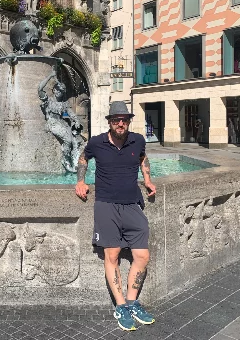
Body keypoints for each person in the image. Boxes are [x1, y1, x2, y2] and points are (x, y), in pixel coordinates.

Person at [75, 101, 156, 332]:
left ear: (128, 121)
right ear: (110, 122)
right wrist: (80, 181)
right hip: (106, 204)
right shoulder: (96, 142)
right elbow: (83, 158)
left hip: (132, 204)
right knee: (112, 255)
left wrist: (147, 179)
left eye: (124, 120)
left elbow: (142, 158)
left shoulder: (137, 140)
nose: (120, 123)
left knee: (142, 255)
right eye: (116, 120)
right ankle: (120, 306)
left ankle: (132, 302)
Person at [38, 68, 84, 172]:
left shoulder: (64, 103)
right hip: (52, 123)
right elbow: (39, 89)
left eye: (62, 91)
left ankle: (75, 162)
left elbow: (71, 113)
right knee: (68, 139)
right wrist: (50, 76)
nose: (59, 92)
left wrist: (76, 120)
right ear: (54, 90)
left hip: (62, 123)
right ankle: (65, 160)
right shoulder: (48, 100)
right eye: (58, 90)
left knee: (75, 140)